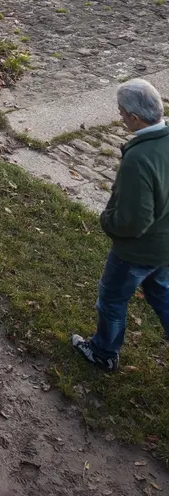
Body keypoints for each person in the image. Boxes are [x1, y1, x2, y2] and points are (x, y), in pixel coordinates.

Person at [71, 78, 169, 372]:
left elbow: (133, 221)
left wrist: (107, 222)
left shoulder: (138, 159)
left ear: (134, 118)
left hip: (138, 252)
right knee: (162, 293)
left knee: (112, 299)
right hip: (165, 247)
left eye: (121, 113)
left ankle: (103, 352)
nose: (121, 117)